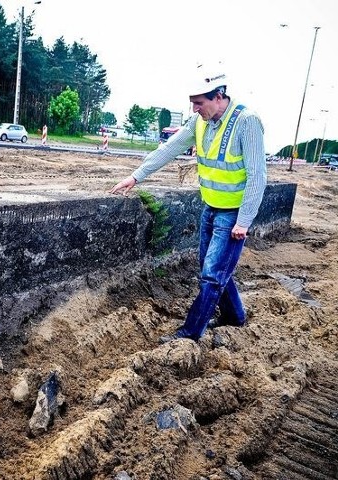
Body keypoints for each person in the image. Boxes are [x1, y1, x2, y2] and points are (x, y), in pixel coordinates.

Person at [109, 64, 267, 344]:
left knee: (212, 274)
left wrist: (244, 220)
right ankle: (235, 316)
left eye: (199, 103)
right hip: (210, 208)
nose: (194, 109)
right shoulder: (199, 123)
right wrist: (135, 177)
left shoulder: (247, 122)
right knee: (216, 269)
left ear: (218, 96)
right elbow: (169, 149)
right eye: (192, 103)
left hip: (233, 215)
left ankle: (190, 333)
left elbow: (258, 175)